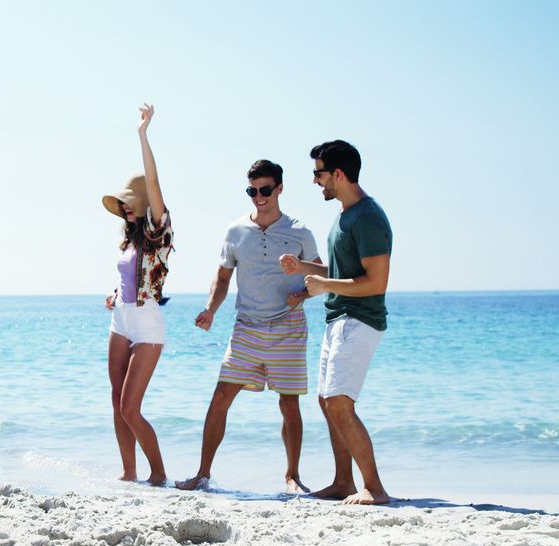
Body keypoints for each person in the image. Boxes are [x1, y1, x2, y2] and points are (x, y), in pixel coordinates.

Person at [176, 160, 321, 493]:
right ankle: (202, 474)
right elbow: (223, 276)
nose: (259, 196)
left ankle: (293, 476)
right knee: (221, 396)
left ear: (280, 189)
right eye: (252, 191)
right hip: (247, 326)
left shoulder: (300, 231)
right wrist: (211, 309)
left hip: (288, 326)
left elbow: (320, 274)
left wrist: (301, 292)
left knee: (289, 403)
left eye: (265, 190)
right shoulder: (236, 231)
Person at [280, 139, 393, 505]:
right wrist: (305, 269)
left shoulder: (369, 217)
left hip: (359, 319)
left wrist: (324, 285)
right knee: (327, 400)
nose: (316, 181)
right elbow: (342, 272)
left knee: (340, 403)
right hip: (339, 317)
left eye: (319, 173)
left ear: (338, 174)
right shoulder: (345, 216)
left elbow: (376, 282)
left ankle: (374, 488)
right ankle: (344, 481)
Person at [101, 104, 173, 486]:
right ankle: (129, 472)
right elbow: (129, 274)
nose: (125, 205)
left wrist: (142, 135)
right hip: (121, 319)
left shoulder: (160, 230)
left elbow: (156, 185)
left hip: (146, 322)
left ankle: (158, 473)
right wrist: (114, 294)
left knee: (131, 408)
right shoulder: (128, 237)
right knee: (116, 401)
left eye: (131, 199)